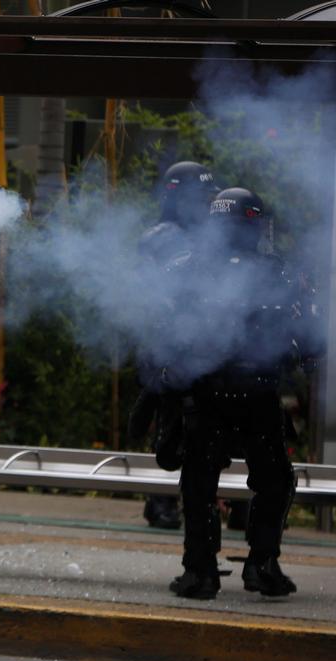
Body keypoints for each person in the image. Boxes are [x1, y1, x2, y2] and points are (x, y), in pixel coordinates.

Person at [158, 187, 306, 600]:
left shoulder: (183, 268)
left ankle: (200, 571)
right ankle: (262, 565)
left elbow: (159, 332)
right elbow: (311, 338)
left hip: (206, 396)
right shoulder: (279, 273)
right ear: (255, 224)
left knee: (200, 483)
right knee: (275, 481)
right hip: (258, 397)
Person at [133, 161, 219, 530]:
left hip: (201, 347)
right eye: (198, 197)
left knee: (211, 428)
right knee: (172, 429)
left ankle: (225, 502)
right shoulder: (162, 237)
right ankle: (162, 500)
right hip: (166, 348)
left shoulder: (206, 237)